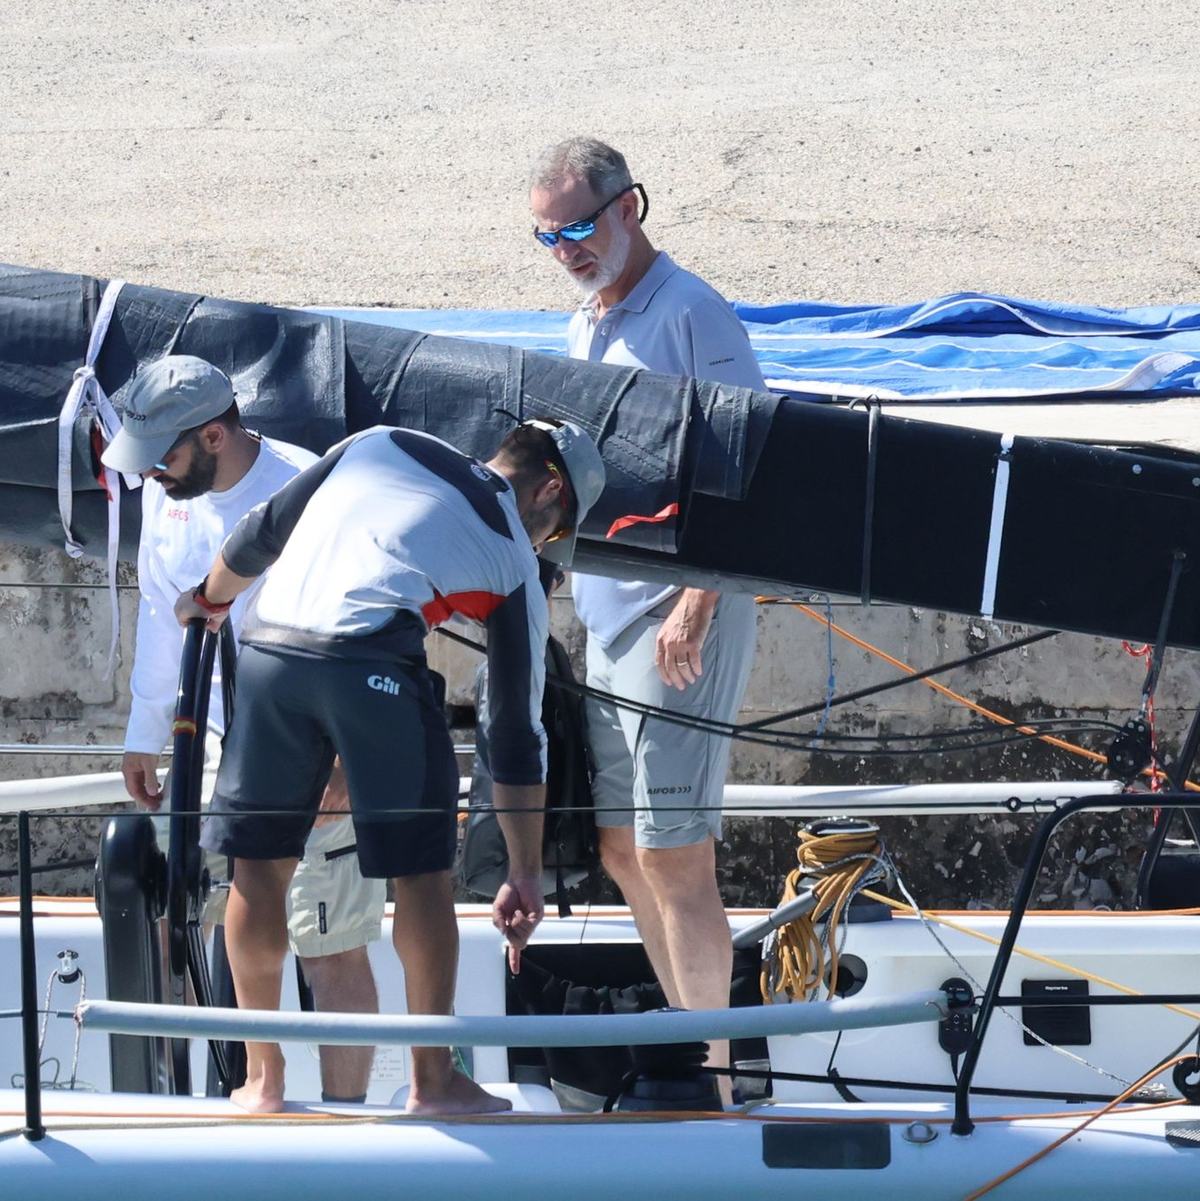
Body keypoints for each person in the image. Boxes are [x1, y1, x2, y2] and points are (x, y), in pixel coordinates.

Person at [172, 417, 605, 1115]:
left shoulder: (380, 442)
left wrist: (211, 597)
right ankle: (432, 1083)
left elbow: (260, 530)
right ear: (549, 491)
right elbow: (516, 732)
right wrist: (525, 872)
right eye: (554, 533)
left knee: (257, 868)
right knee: (422, 875)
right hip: (369, 664)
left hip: (268, 650)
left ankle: (262, 1081)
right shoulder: (512, 554)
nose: (545, 549)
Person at [529, 137, 765, 1087]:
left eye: (580, 226)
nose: (567, 248)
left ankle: (714, 1075)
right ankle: (685, 1051)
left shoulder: (694, 315)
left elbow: (747, 475)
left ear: (632, 207)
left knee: (677, 851)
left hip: (679, 612)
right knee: (623, 849)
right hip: (611, 611)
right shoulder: (586, 320)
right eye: (547, 236)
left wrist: (698, 608)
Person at [101, 355, 385, 1103]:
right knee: (214, 919)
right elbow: (167, 617)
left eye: (163, 455)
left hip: (320, 743)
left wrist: (349, 766)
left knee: (330, 941)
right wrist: (144, 730)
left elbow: (380, 633)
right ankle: (261, 1091)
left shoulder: (315, 493)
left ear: (217, 434)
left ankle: (346, 1123)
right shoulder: (169, 495)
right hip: (223, 744)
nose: (153, 473)